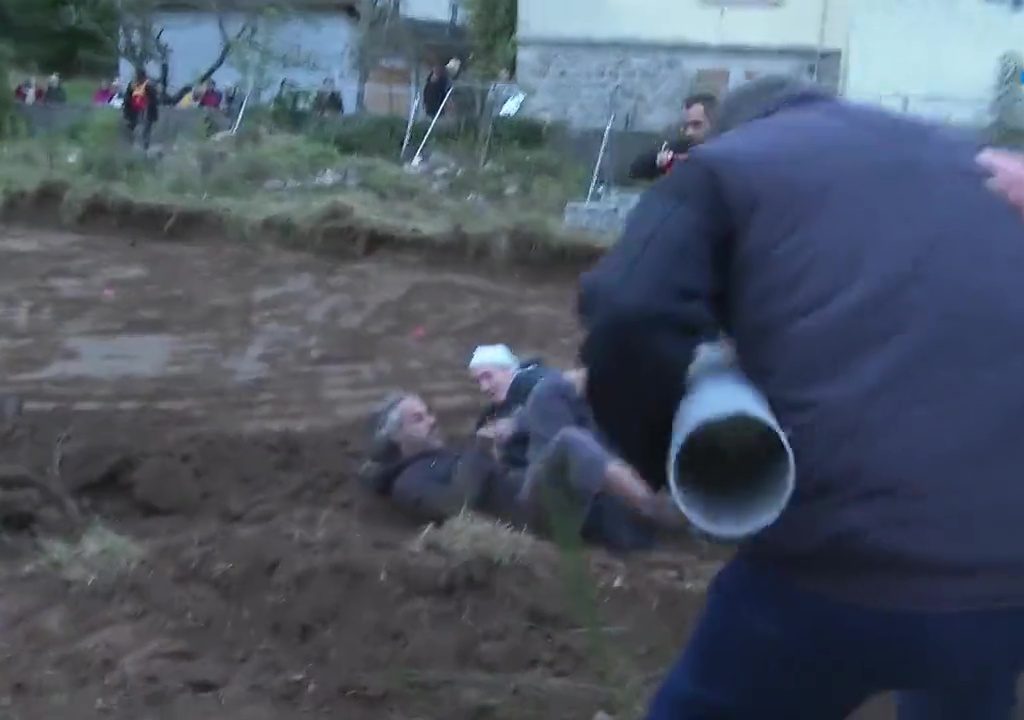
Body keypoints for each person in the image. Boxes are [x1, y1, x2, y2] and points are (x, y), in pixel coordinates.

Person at [579, 74, 1024, 719]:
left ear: (733, 126)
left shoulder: (724, 168)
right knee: (963, 671)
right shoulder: (981, 161)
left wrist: (669, 468)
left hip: (833, 574)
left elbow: (627, 313)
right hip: (1006, 582)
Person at [520, 369, 679, 551]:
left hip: (595, 514)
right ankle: (655, 509)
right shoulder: (551, 393)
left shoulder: (613, 410)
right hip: (550, 503)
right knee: (572, 440)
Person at [361, 392, 526, 524]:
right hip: (528, 507)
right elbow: (453, 506)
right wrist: (480, 453)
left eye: (428, 414)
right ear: (396, 436)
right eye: (418, 419)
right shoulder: (409, 482)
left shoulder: (447, 456)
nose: (432, 421)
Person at [469, 344, 549, 471]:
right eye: (478, 381)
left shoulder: (535, 383)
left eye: (488, 376)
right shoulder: (492, 412)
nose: (484, 387)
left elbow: (552, 412)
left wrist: (515, 425)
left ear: (508, 370)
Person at [123, 69, 160, 150]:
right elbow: (127, 98)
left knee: (145, 131)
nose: (136, 78)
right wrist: (126, 114)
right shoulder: (132, 85)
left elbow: (154, 100)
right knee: (131, 130)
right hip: (134, 112)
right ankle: (130, 147)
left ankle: (144, 149)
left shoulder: (149, 85)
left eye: (137, 76)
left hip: (146, 112)